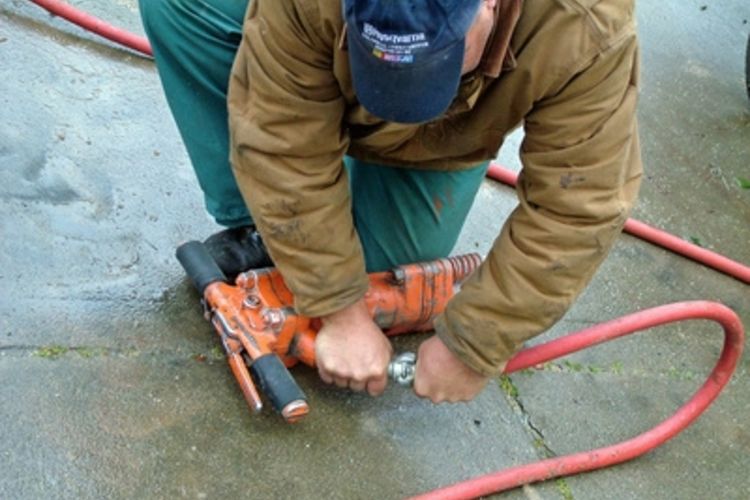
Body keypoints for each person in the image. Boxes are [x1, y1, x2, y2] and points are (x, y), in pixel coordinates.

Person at [139, 0, 642, 403]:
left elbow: (577, 206)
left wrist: (471, 345)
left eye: (434, 59)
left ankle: (339, 202)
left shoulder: (585, 25)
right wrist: (339, 309)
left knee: (388, 276)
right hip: (313, 35)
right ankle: (254, 222)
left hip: (446, 139)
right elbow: (279, 139)